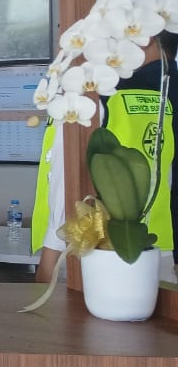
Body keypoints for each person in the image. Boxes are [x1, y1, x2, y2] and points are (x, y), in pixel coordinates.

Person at [33, 29, 177, 282]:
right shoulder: (165, 91)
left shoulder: (95, 93)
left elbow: (68, 180)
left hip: (95, 254)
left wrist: (49, 262)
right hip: (160, 247)